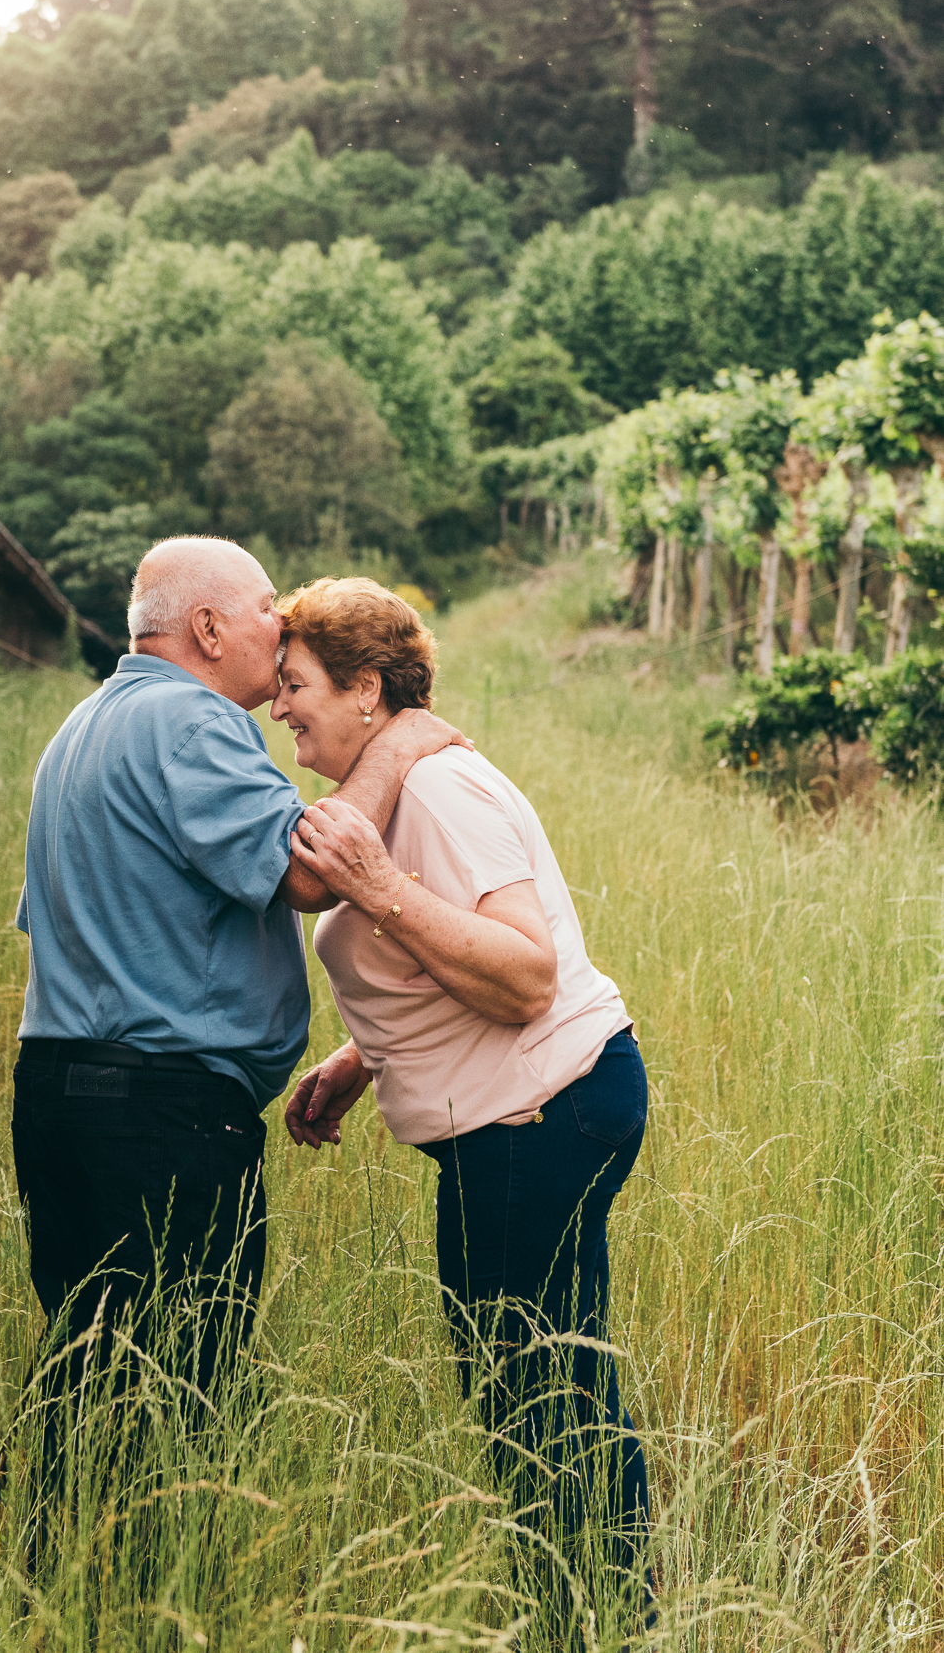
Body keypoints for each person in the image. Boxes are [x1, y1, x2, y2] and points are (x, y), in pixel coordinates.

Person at [9, 538, 469, 1535]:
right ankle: (140, 1603)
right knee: (174, 1392)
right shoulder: (190, 721)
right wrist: (398, 736)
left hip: (57, 1094)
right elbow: (311, 872)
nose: (283, 623)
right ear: (209, 628)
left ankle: (51, 1595)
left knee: (88, 1373)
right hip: (158, 1114)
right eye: (267, 608)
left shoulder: (83, 729)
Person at [271, 576, 651, 1637]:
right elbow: (439, 959)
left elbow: (526, 973)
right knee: (530, 1374)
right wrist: (362, 1056)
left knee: (540, 1386)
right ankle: (579, 1602)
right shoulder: (397, 790)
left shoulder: (441, 793)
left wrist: (381, 887)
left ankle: (600, 1610)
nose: (279, 705)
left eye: (295, 684)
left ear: (365, 689)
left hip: (545, 1110)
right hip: (522, 1116)